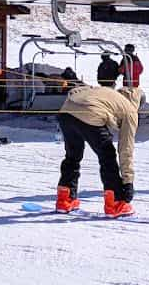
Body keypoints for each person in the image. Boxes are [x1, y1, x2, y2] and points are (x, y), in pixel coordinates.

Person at [56, 83, 144, 217]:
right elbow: (126, 149)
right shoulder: (130, 110)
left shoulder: (107, 92)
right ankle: (115, 204)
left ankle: (65, 199)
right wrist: (128, 182)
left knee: (72, 156)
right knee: (107, 157)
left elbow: (76, 90)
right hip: (90, 113)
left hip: (66, 111)